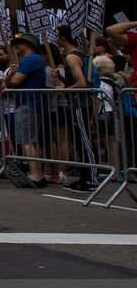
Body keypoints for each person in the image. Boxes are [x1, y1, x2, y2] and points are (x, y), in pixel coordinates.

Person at [6, 33, 54, 187]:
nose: (16, 46)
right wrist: (12, 74)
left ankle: (36, 175)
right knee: (30, 140)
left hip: (29, 104)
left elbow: (14, 82)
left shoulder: (31, 59)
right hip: (27, 103)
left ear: (29, 45)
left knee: (26, 141)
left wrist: (13, 76)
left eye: (19, 43)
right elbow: (9, 82)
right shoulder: (25, 61)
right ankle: (37, 173)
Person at [56, 25, 98, 193]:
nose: (56, 38)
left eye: (58, 35)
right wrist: (59, 77)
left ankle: (91, 179)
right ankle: (85, 177)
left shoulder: (71, 57)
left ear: (64, 38)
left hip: (79, 104)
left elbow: (81, 83)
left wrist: (63, 90)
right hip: (79, 103)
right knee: (81, 141)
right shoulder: (78, 55)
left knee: (85, 140)